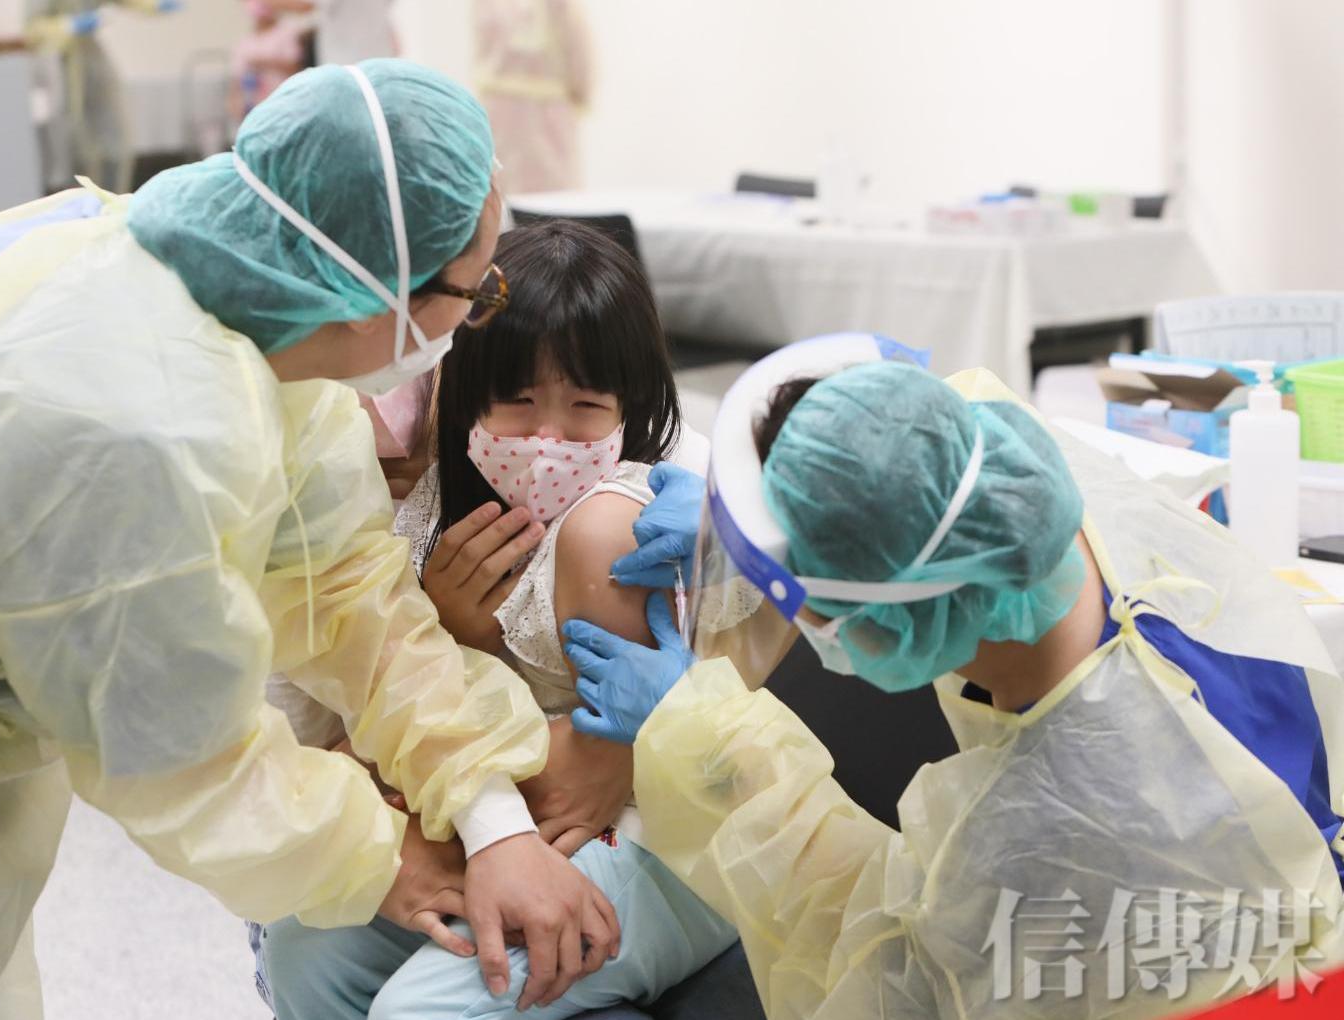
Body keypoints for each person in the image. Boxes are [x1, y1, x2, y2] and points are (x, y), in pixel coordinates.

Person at [0, 61, 619, 1019]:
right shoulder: (136, 425)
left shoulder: (251, 312)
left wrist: (490, 818)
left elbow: (349, 592)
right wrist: (391, 858)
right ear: (379, 295)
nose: (477, 314)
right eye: (476, 295)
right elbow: (180, 757)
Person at [563, 341, 1344, 1018]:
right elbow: (908, 452)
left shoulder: (1048, 839)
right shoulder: (1033, 496)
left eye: (797, 594)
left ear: (888, 619)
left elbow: (881, 969)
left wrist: (700, 736)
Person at [258, 220, 744, 1019]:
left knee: (419, 1009)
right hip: (513, 809)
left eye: (586, 407)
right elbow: (352, 713)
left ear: (629, 403)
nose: (547, 442)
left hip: (644, 834)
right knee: (301, 951)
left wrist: (582, 760)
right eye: (516, 404)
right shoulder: (430, 507)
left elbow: (597, 775)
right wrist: (454, 635)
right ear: (458, 393)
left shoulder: (617, 524)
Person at [26, 1, 181, 194]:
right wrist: (68, 26)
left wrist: (154, 4)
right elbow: (31, 30)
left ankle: (112, 201)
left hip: (89, 58)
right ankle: (79, 201)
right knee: (74, 143)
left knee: (113, 136)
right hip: (58, 62)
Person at [472, 0, 591, 194]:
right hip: (545, 111)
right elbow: (581, 54)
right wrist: (580, 95)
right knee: (551, 192)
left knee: (501, 188)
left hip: (499, 108)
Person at [231, 0, 307, 119]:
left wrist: (264, 63)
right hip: (256, 112)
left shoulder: (288, 31)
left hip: (287, 107)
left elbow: (297, 67)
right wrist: (236, 107)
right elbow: (236, 84)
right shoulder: (244, 43)